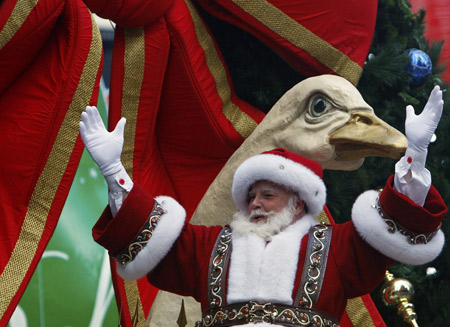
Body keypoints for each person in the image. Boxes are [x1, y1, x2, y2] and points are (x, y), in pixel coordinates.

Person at [79, 86, 447, 326]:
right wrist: (114, 171)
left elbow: (397, 221)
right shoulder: (213, 248)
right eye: (251, 195)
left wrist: (415, 153)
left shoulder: (336, 249)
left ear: (298, 201)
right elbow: (148, 234)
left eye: (267, 195)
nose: (255, 203)